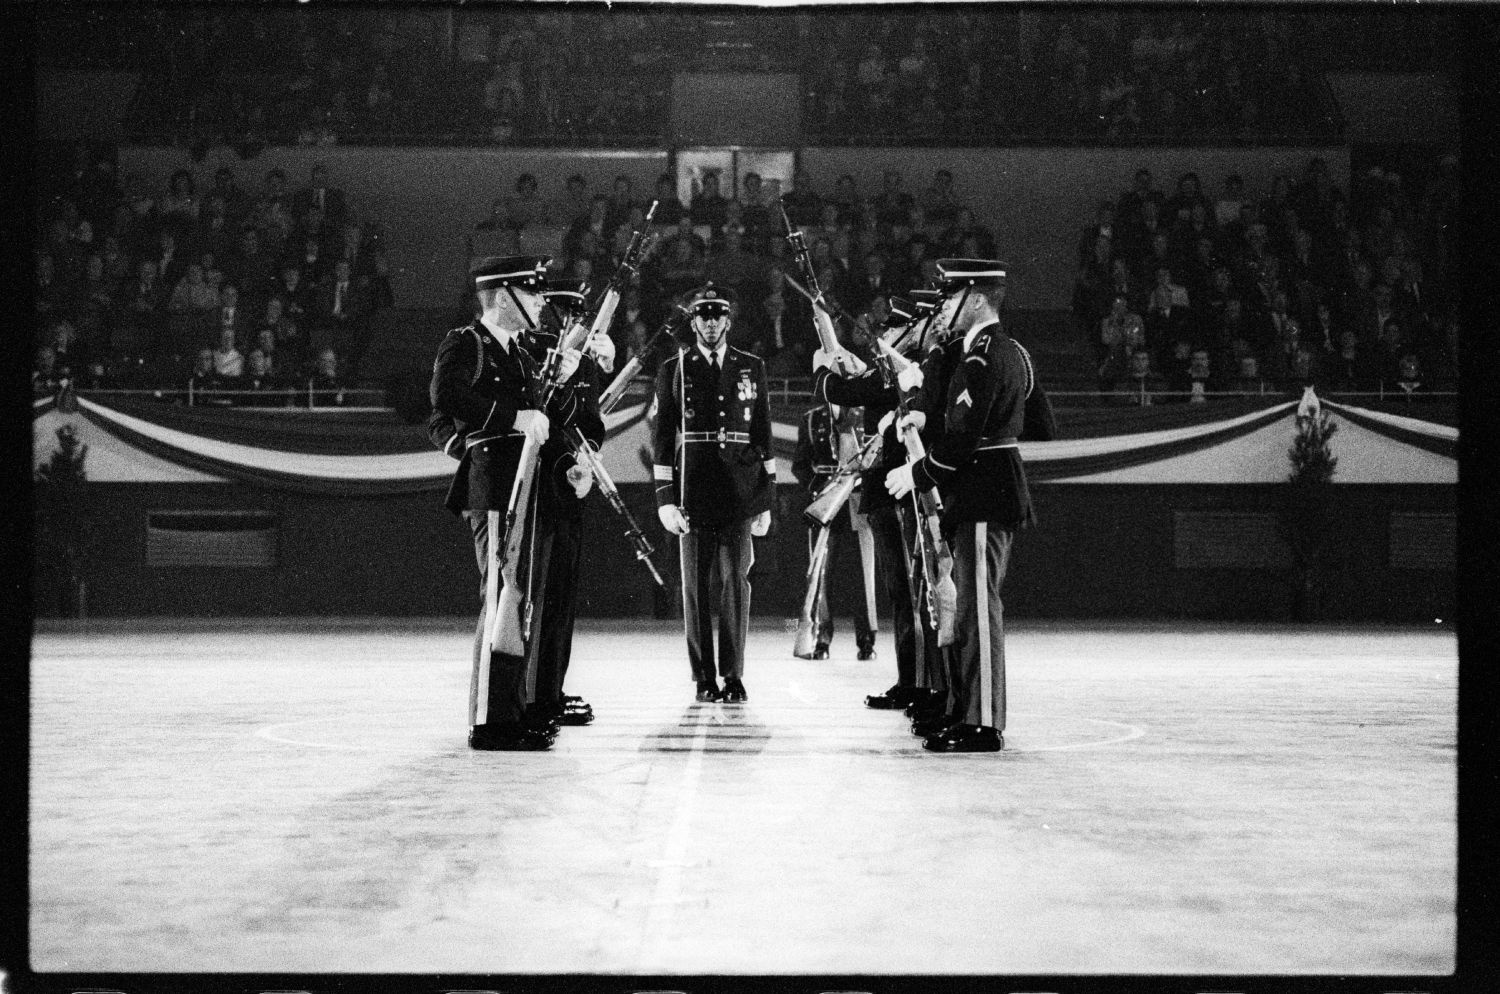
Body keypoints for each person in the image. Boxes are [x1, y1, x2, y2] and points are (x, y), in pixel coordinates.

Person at [428, 255, 586, 751]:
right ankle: (488, 722)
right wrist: (512, 416)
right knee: (502, 596)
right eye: (531, 294)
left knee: (520, 603)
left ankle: (511, 713)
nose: (540, 303)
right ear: (502, 297)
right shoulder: (468, 343)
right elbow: (444, 394)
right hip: (495, 486)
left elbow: (546, 420)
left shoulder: (518, 354)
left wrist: (566, 461)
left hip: (529, 487)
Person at [885, 259, 1037, 753]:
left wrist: (917, 472)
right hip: (982, 485)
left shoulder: (984, 355)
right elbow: (1040, 421)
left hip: (983, 488)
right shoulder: (1005, 351)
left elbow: (965, 438)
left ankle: (984, 721)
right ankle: (968, 712)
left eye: (951, 298)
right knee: (967, 607)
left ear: (975, 298)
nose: (945, 308)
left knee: (977, 610)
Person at [811, 296, 940, 712]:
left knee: (911, 592)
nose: (884, 336)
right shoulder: (896, 377)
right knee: (902, 592)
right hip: (892, 490)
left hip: (898, 491)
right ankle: (913, 680)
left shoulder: (902, 378)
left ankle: (920, 683)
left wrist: (823, 365)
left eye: (891, 330)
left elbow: (841, 391)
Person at [652, 284, 774, 704]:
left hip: (740, 490)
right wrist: (665, 497)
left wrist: (766, 497)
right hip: (693, 487)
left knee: (736, 584)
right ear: (693, 323)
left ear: (727, 321)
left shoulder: (749, 365)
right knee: (696, 586)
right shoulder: (676, 368)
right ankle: (704, 675)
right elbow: (663, 436)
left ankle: (734, 674)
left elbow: (762, 433)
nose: (710, 323)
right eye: (702, 317)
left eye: (717, 316)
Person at [792, 397, 878, 661]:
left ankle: (867, 641)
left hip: (857, 500)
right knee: (822, 573)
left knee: (864, 573)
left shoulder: (867, 415)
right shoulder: (811, 419)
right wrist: (819, 491)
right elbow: (800, 465)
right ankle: (820, 639)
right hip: (826, 502)